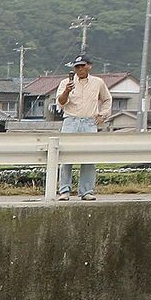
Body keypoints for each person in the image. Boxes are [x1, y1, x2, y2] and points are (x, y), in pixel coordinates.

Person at [55, 54, 112, 201]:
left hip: (89, 121)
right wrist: (67, 91)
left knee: (88, 157)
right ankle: (64, 190)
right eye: (77, 66)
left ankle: (86, 191)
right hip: (70, 120)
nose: (80, 69)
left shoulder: (98, 82)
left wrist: (102, 115)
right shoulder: (65, 83)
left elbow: (107, 99)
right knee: (66, 156)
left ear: (89, 66)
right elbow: (60, 103)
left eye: (82, 66)